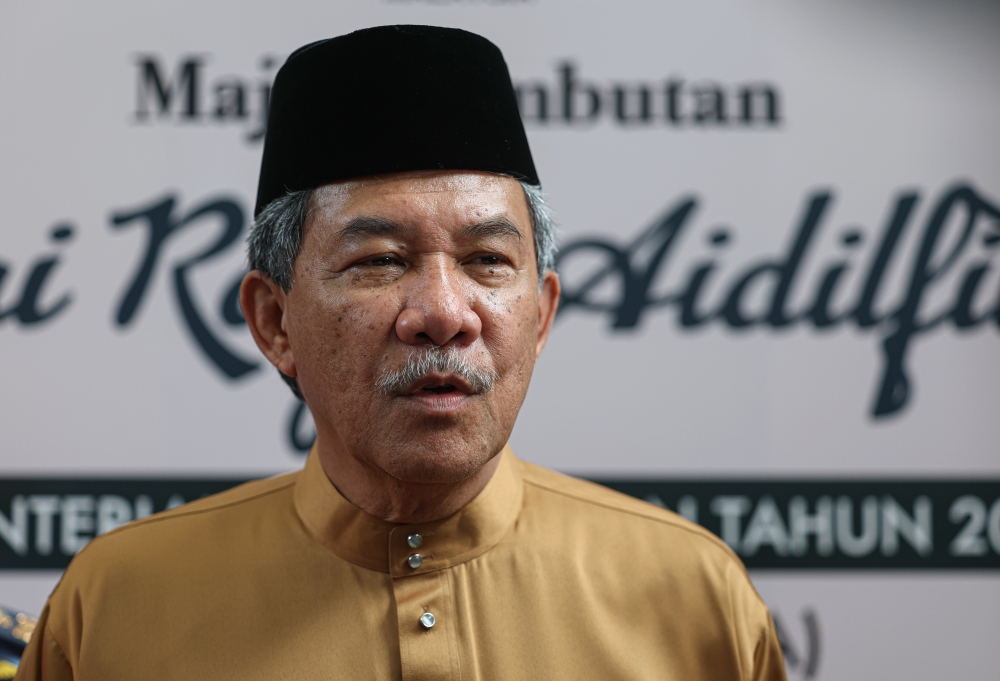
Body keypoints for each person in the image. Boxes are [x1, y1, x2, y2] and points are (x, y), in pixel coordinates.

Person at [16, 25, 786, 680]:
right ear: (274, 320)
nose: (446, 314)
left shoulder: (693, 600)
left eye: (487, 260)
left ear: (542, 313)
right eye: (379, 260)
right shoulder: (115, 608)